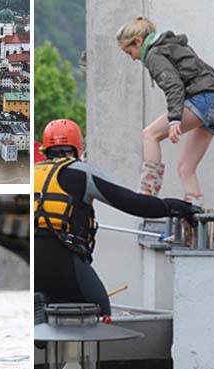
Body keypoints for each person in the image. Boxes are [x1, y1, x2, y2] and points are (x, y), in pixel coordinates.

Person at [35, 119, 200, 318]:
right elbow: (132, 203)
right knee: (101, 311)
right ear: (78, 148)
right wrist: (176, 207)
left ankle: (40, 315)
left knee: (47, 308)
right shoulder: (81, 172)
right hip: (63, 256)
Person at [117, 16, 214, 206]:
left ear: (138, 41)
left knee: (150, 134)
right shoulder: (173, 46)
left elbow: (174, 86)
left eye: (130, 52)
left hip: (205, 98)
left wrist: (175, 119)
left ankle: (147, 194)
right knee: (186, 167)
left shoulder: (154, 54)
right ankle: (194, 210)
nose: (133, 58)